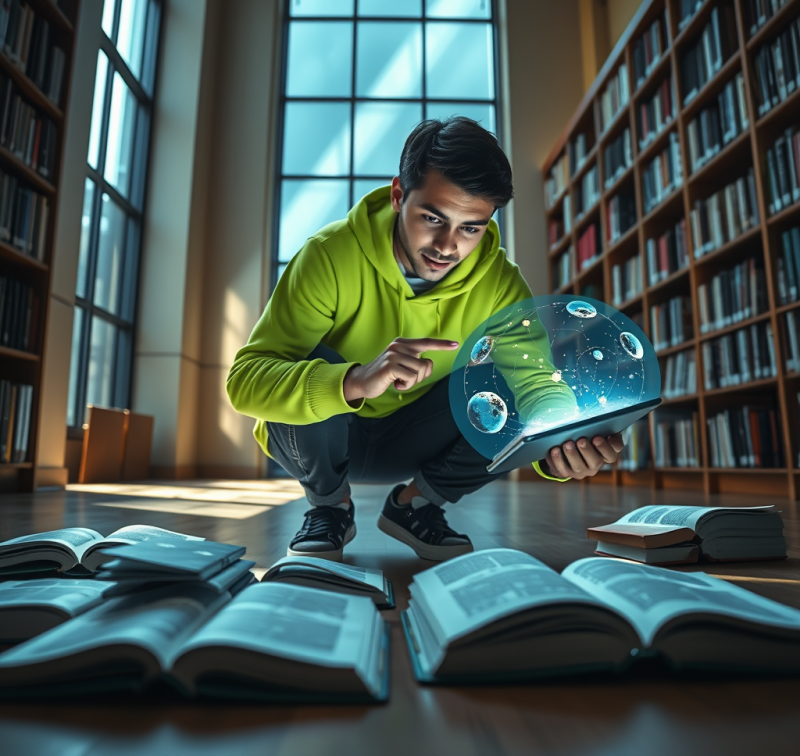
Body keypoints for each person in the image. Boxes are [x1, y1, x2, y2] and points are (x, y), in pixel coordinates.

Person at [227, 117, 624, 562]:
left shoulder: (501, 284)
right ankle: (329, 507)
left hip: (418, 441)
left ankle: (415, 504)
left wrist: (559, 447)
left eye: (470, 228)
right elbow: (244, 383)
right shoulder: (327, 256)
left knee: (503, 384)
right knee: (308, 360)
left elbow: (536, 385)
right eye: (433, 218)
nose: (447, 245)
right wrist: (353, 381)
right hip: (320, 441)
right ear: (399, 195)